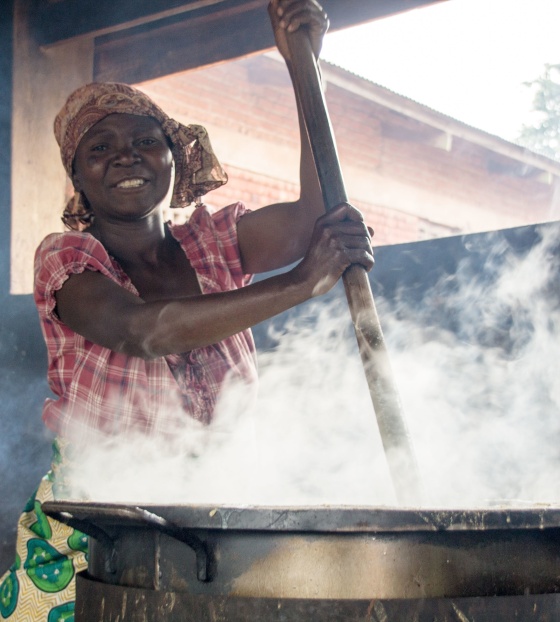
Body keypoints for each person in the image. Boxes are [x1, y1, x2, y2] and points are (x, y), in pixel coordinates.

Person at [0, 0, 374, 619]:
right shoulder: (67, 258)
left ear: (175, 158)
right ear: (79, 176)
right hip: (97, 524)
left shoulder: (214, 242)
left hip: (211, 516)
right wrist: (302, 284)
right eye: (101, 147)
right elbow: (142, 332)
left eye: (146, 141)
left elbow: (313, 217)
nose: (126, 156)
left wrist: (304, 65)